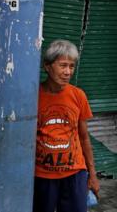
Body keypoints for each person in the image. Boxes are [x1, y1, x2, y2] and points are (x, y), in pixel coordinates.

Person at [33, 39, 100, 212]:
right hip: (43, 175)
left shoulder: (78, 95)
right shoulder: (33, 96)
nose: (67, 72)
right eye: (63, 65)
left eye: (71, 66)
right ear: (47, 66)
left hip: (75, 173)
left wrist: (92, 174)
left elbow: (84, 137)